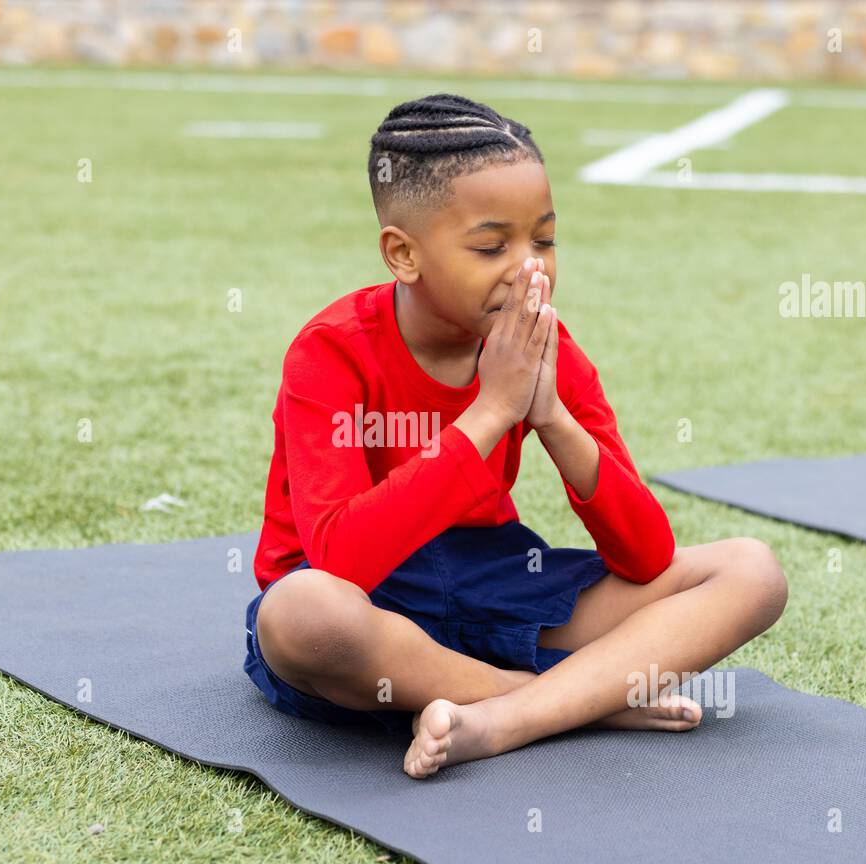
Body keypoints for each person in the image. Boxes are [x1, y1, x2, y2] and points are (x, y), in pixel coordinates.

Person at [243, 93, 788, 779]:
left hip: (495, 578)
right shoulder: (329, 353)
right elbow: (342, 560)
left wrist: (552, 414)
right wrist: (491, 412)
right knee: (303, 613)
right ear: (403, 254)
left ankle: (499, 720)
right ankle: (575, 700)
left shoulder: (543, 348)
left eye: (546, 239)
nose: (531, 267)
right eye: (492, 246)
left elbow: (647, 553)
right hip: (371, 608)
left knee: (750, 571)